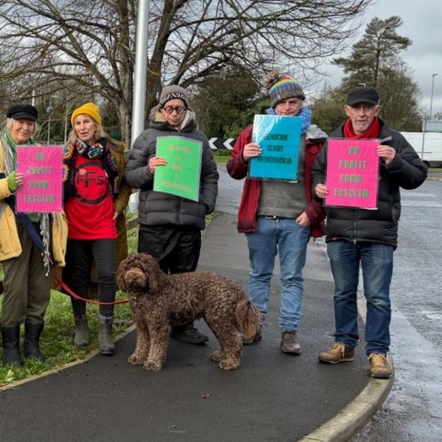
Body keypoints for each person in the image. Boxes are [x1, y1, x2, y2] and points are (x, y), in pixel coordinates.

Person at [312, 87, 426, 379]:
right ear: (346, 110)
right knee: (343, 293)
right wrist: (319, 187)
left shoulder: (393, 139)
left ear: (377, 109)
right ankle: (344, 344)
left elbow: (418, 175)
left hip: (378, 232)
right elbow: (318, 172)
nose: (362, 113)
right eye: (356, 108)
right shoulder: (334, 140)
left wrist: (395, 161)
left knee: (377, 297)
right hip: (340, 229)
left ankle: (377, 352)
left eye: (368, 108)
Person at [225, 72, 327, 355]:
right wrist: (244, 156)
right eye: (282, 104)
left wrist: (313, 213)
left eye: (293, 102)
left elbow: (326, 182)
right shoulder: (255, 131)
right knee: (259, 274)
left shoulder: (315, 138)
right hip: (261, 218)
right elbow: (233, 171)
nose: (287, 108)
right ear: (273, 106)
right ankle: (253, 327)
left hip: (297, 220)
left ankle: (289, 332)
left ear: (301, 104)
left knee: (293, 277)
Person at [0, 104, 68, 367]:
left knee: (39, 287)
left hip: (42, 227)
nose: (25, 127)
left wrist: (59, 176)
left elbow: (52, 190)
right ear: (8, 122)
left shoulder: (41, 152)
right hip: (11, 226)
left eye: (30, 123)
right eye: (20, 122)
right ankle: (11, 348)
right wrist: (9, 184)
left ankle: (32, 344)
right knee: (15, 288)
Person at [124, 85, 219, 345]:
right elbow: (130, 176)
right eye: (169, 108)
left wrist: (207, 204)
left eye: (179, 108)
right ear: (161, 110)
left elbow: (210, 174)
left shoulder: (198, 138)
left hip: (189, 221)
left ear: (187, 109)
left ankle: (182, 326)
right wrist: (148, 170)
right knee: (151, 278)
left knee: (185, 277)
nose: (174, 113)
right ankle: (146, 326)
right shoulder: (147, 137)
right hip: (156, 222)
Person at [60, 102, 130, 355]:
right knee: (76, 276)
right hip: (75, 224)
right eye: (77, 123)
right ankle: (80, 324)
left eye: (86, 122)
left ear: (96, 125)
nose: (82, 127)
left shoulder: (115, 152)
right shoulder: (66, 153)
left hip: (104, 224)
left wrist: (118, 207)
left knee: (107, 274)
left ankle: (105, 328)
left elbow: (126, 184)